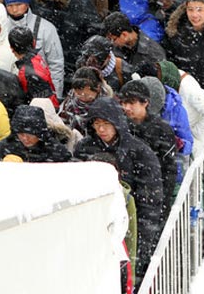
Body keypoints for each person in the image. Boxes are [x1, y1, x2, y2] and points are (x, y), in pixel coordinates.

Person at [74, 97, 163, 282]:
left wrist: (142, 243)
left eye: (106, 124)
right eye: (97, 124)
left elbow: (150, 203)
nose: (101, 129)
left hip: (129, 223)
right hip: (95, 224)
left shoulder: (139, 152)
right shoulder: (84, 148)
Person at [116, 80, 178, 222]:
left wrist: (162, 199)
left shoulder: (162, 130)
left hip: (153, 192)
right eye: (123, 103)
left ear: (145, 103)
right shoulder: (121, 126)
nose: (126, 107)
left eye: (131, 103)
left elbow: (169, 169)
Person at [0, 104, 73, 162]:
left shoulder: (57, 151)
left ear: (39, 132)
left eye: (30, 135)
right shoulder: (4, 147)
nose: (25, 138)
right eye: (21, 134)